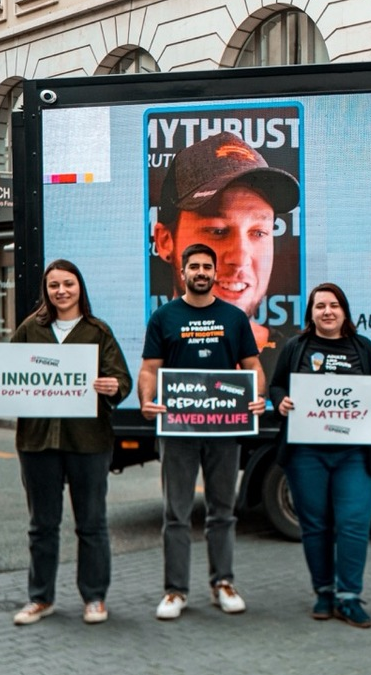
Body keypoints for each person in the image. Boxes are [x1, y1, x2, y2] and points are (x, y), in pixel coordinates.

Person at [0, 259, 132, 626]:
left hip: (89, 442)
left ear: (80, 288)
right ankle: (40, 598)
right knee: (41, 525)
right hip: (36, 441)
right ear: (46, 291)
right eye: (54, 285)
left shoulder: (97, 331)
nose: (61, 291)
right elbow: (1, 375)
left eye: (68, 284)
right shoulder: (31, 328)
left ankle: (94, 598)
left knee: (91, 523)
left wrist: (114, 388)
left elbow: (120, 379)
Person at [138, 242, 267, 620]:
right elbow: (149, 369)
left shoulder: (233, 317)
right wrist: (147, 401)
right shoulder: (164, 317)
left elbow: (253, 367)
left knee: (222, 512)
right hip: (177, 431)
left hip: (224, 430)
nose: (200, 272)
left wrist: (257, 395)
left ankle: (222, 583)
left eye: (206, 267)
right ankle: (175, 591)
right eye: (193, 266)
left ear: (213, 273)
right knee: (176, 514)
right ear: (183, 271)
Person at [269, 282, 371, 629]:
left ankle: (349, 597)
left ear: (344, 311)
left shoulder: (363, 348)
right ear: (311, 313)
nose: (327, 311)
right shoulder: (296, 347)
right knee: (315, 525)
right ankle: (324, 592)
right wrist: (280, 402)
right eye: (320, 305)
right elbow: (276, 386)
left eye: (334, 305)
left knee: (354, 524)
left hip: (355, 453)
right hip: (307, 453)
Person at [151, 130, 300, 374]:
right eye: (217, 231)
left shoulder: (298, 359)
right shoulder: (139, 350)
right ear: (165, 241)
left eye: (259, 232)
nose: (240, 258)